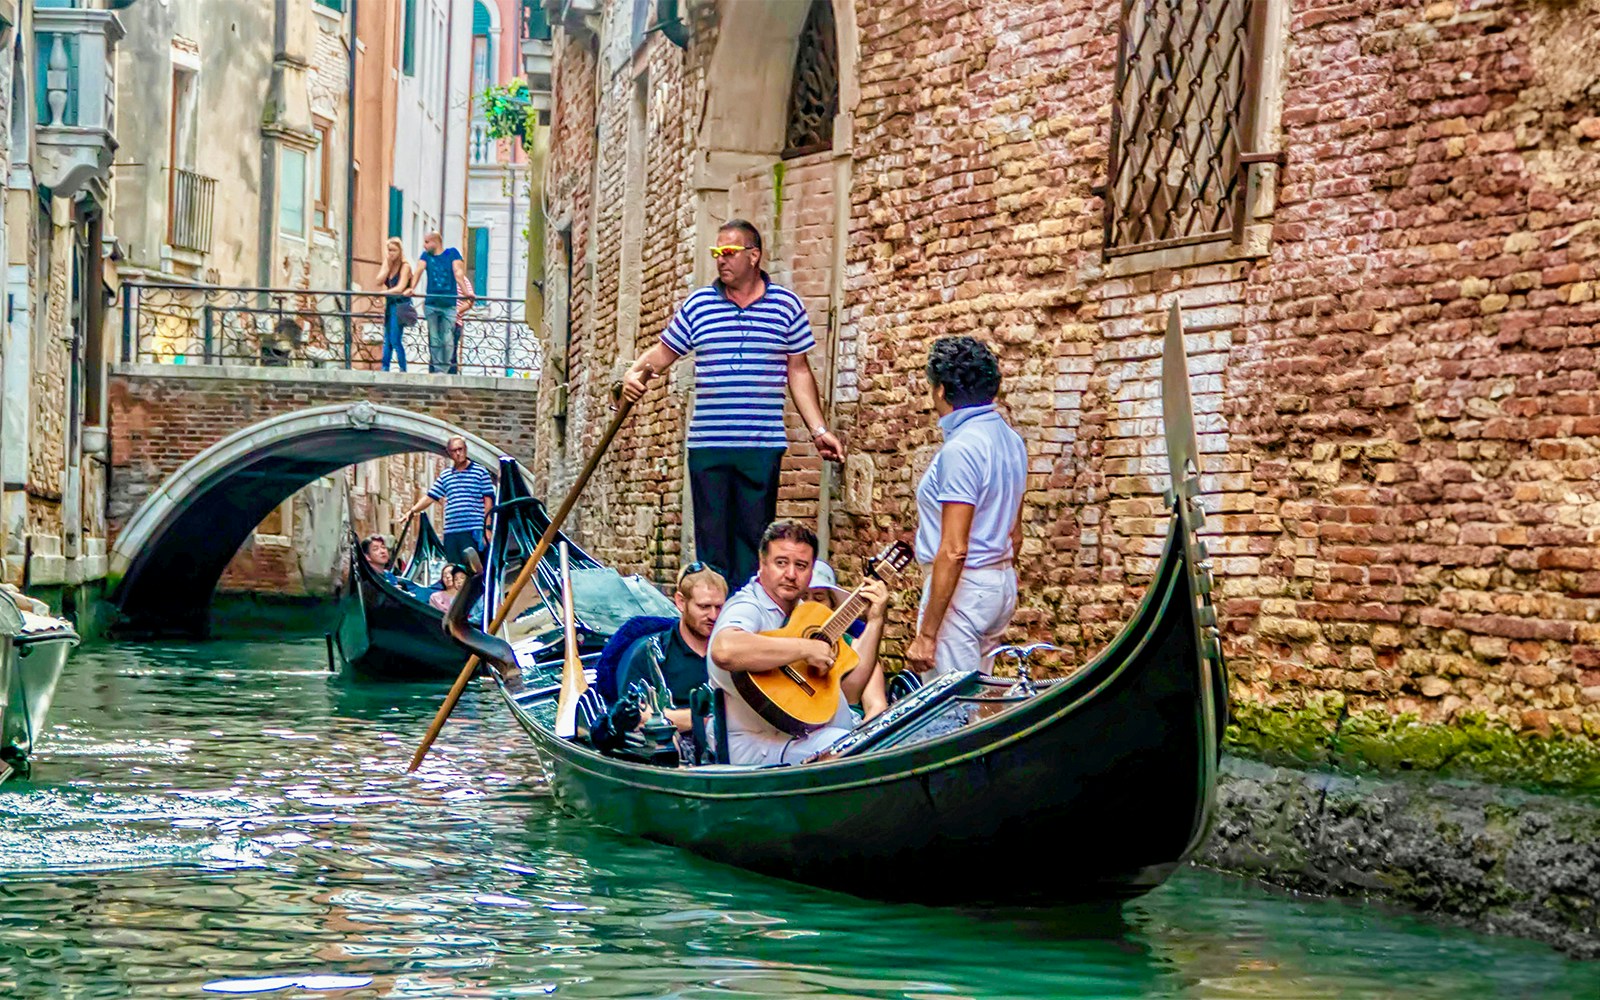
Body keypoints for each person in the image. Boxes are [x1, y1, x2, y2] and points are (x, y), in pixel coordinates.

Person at [621, 219, 845, 589]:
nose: (721, 261)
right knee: (712, 550)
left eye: (729, 253)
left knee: (754, 544)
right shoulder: (699, 305)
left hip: (761, 445)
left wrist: (818, 430)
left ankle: (744, 624)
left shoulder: (786, 306)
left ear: (753, 256)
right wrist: (633, 373)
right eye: (717, 254)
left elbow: (799, 372)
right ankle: (712, 629)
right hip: (708, 446)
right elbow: (662, 354)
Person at [709, 521, 889, 766]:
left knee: (871, 744)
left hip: (805, 735)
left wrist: (876, 621)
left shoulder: (806, 615)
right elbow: (725, 650)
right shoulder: (749, 606)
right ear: (762, 564)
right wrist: (805, 649)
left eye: (801, 566)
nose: (791, 574)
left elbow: (851, 691)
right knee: (850, 749)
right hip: (756, 743)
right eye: (781, 563)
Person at [905, 336, 1028, 680]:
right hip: (999, 584)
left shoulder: (962, 449)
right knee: (980, 699)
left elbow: (955, 548)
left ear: (941, 391)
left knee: (950, 708)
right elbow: (1015, 535)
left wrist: (927, 634)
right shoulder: (1011, 439)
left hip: (964, 589)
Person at [610, 563, 728, 733]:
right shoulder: (649, 655)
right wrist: (705, 720)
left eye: (719, 607)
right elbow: (636, 719)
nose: (713, 616)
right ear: (680, 602)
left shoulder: (732, 653)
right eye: (703, 607)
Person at [402, 436, 495, 565]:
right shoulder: (445, 475)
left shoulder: (480, 472)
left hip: (473, 529)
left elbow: (488, 501)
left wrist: (487, 528)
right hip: (451, 531)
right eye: (454, 451)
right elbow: (430, 497)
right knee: (454, 569)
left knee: (474, 570)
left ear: (466, 449)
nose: (458, 453)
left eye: (460, 449)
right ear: (449, 453)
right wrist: (412, 511)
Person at [405, 231, 474, 373]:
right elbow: (418, 270)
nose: (424, 246)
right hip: (432, 303)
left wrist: (466, 292)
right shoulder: (426, 256)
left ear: (435, 242)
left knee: (447, 339)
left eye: (426, 242)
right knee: (435, 338)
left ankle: (443, 369)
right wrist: (412, 288)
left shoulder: (452, 253)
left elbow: (458, 273)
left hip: (449, 304)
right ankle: (438, 370)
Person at [373, 237, 414, 371]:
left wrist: (382, 294)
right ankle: (385, 367)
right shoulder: (388, 264)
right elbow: (378, 281)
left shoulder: (405, 266)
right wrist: (387, 266)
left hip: (401, 304)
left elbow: (400, 287)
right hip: (391, 304)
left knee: (395, 338)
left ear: (400, 251)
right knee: (387, 338)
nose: (391, 253)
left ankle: (402, 368)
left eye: (394, 250)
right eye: (389, 250)